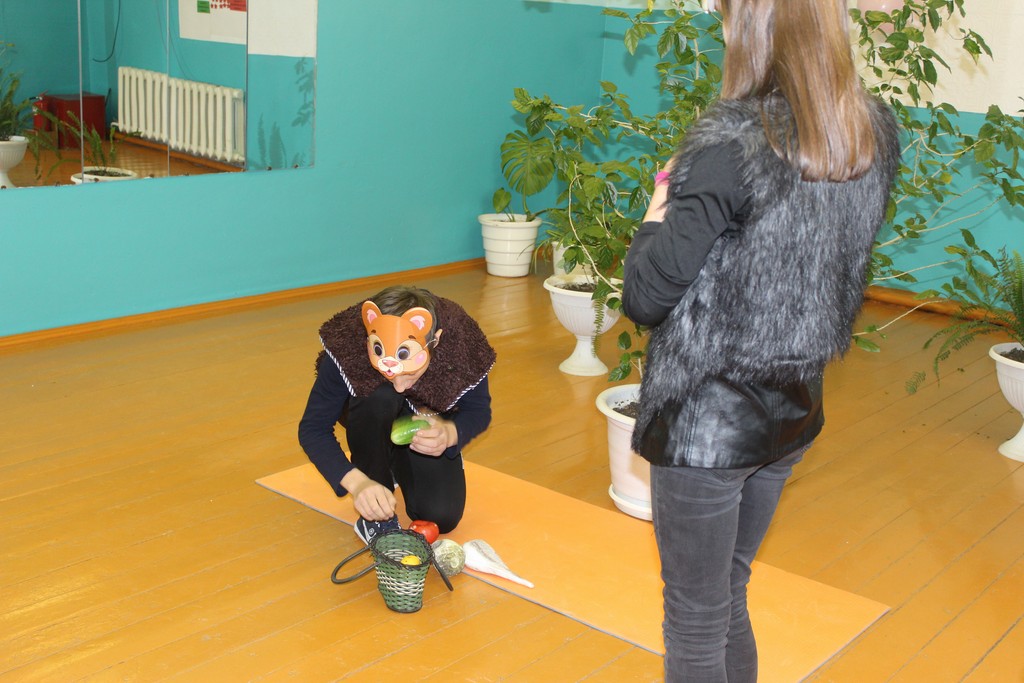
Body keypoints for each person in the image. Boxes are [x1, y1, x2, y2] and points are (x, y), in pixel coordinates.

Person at [621, 0, 900, 680]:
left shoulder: (729, 146)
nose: (721, 27)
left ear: (751, 25)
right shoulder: (868, 132)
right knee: (728, 590)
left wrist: (658, 207)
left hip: (707, 426)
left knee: (695, 617)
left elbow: (646, 297)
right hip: (792, 411)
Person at [298, 285, 495, 545]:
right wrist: (358, 483)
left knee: (442, 516)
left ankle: (394, 459)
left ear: (435, 341)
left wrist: (450, 434)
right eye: (388, 372)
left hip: (422, 419)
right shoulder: (345, 345)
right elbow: (313, 429)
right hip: (367, 410)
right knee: (381, 395)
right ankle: (376, 490)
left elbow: (478, 411)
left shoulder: (462, 344)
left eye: (409, 374)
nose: (400, 386)